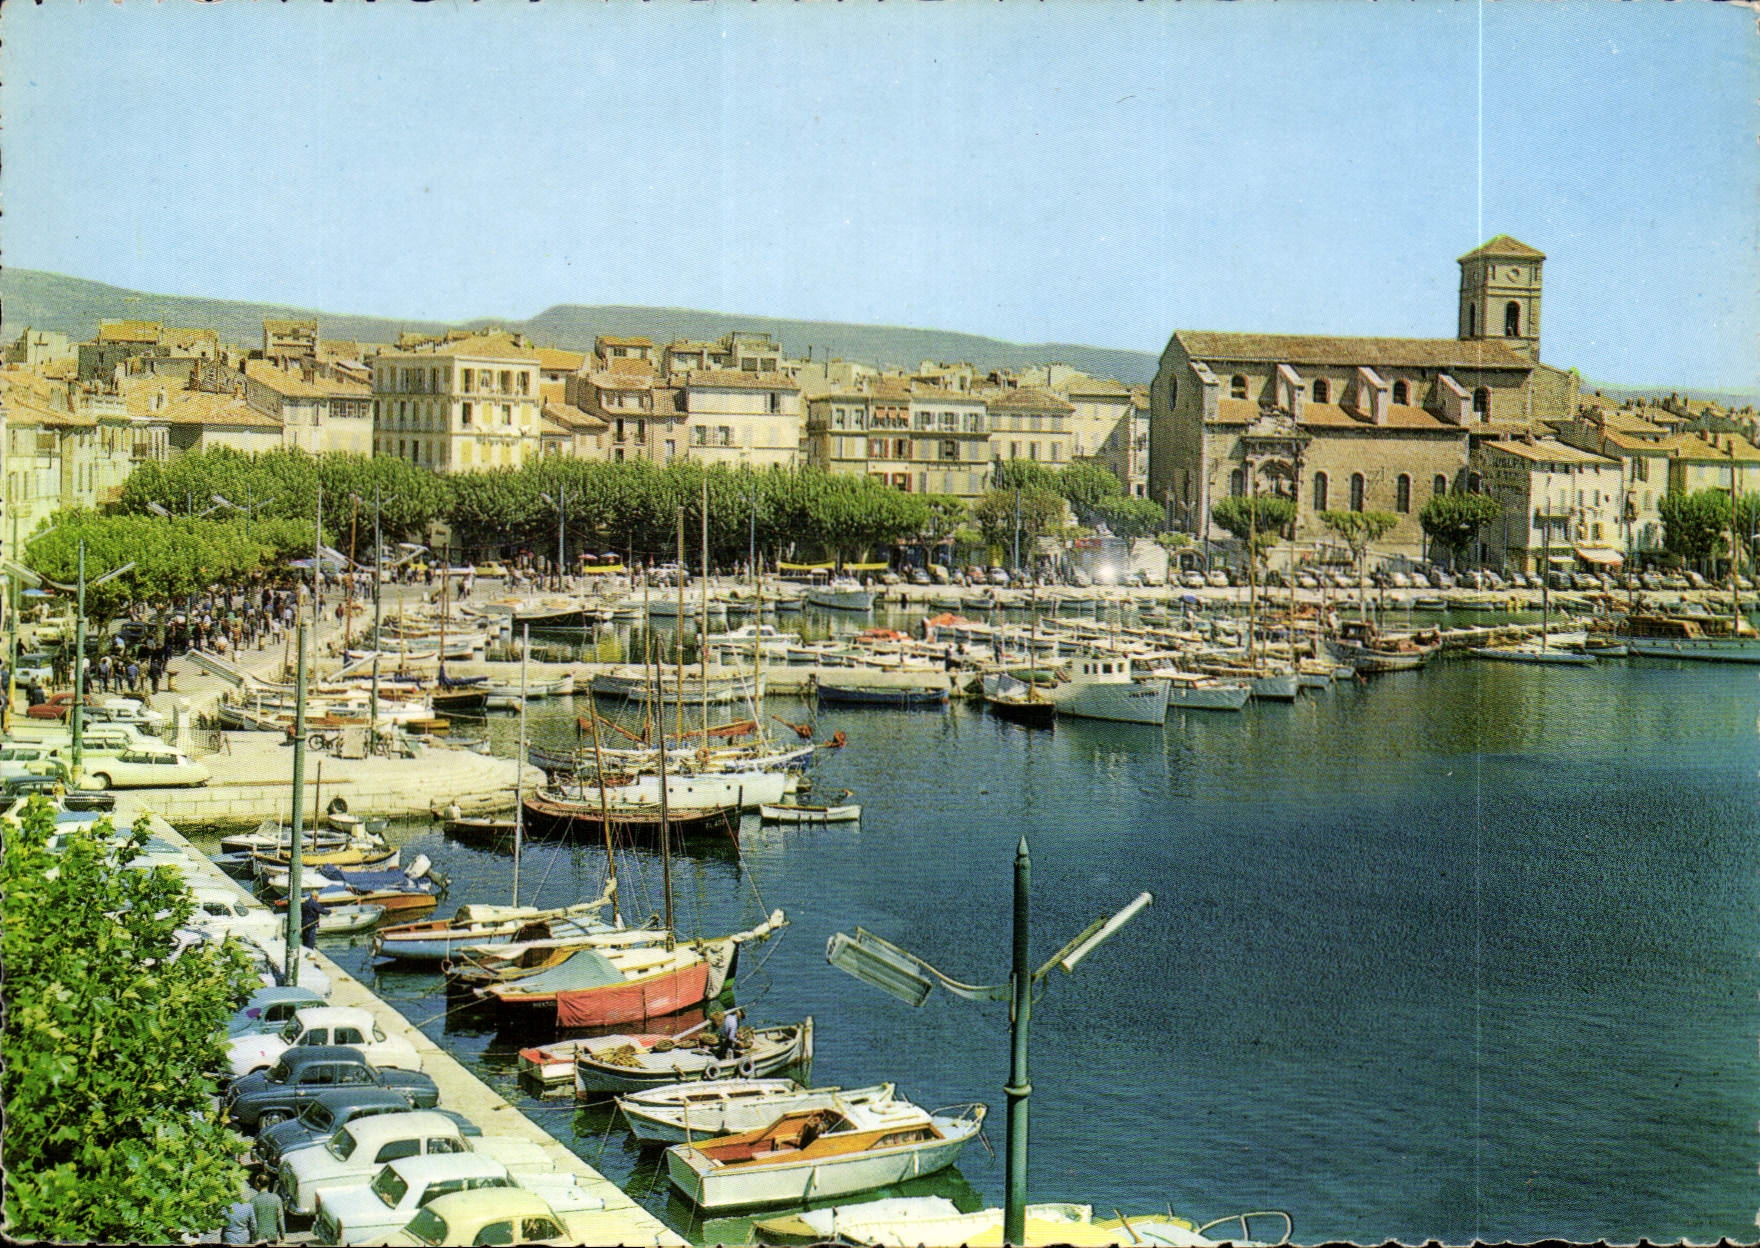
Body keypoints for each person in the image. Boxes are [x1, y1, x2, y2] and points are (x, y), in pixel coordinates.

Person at [248, 1170, 284, 1244]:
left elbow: (250, 1221)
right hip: (272, 1236)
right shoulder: (276, 1198)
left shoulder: (252, 1201)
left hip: (257, 1238)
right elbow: (280, 1218)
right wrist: (282, 1235)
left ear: (258, 1184)